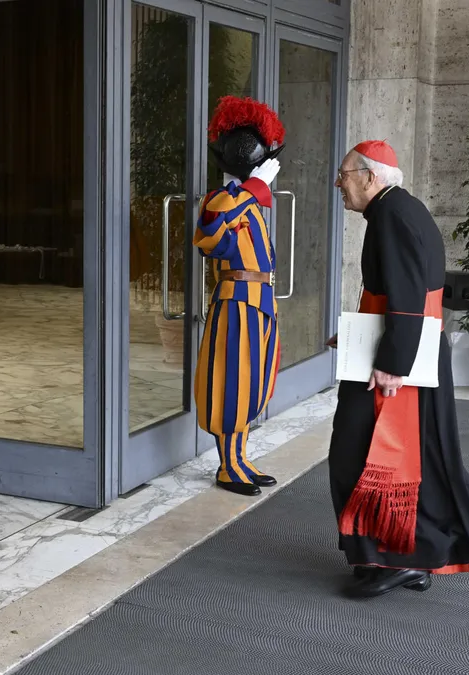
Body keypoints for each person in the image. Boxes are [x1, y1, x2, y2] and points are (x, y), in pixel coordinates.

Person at [328, 140, 469, 598]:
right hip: (407, 351)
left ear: (371, 177)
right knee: (408, 460)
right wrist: (357, 335)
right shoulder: (398, 210)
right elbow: (395, 294)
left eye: (344, 174)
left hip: (401, 364)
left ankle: (399, 559)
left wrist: (393, 364)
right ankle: (401, 556)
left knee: (365, 455)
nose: (338, 182)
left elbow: (409, 296)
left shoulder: (392, 216)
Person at [193, 96, 286, 497]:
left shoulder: (244, 203)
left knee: (252, 383)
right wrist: (253, 188)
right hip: (236, 301)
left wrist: (252, 191)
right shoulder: (222, 201)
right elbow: (209, 233)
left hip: (259, 300)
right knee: (231, 383)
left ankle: (240, 458)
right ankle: (228, 466)